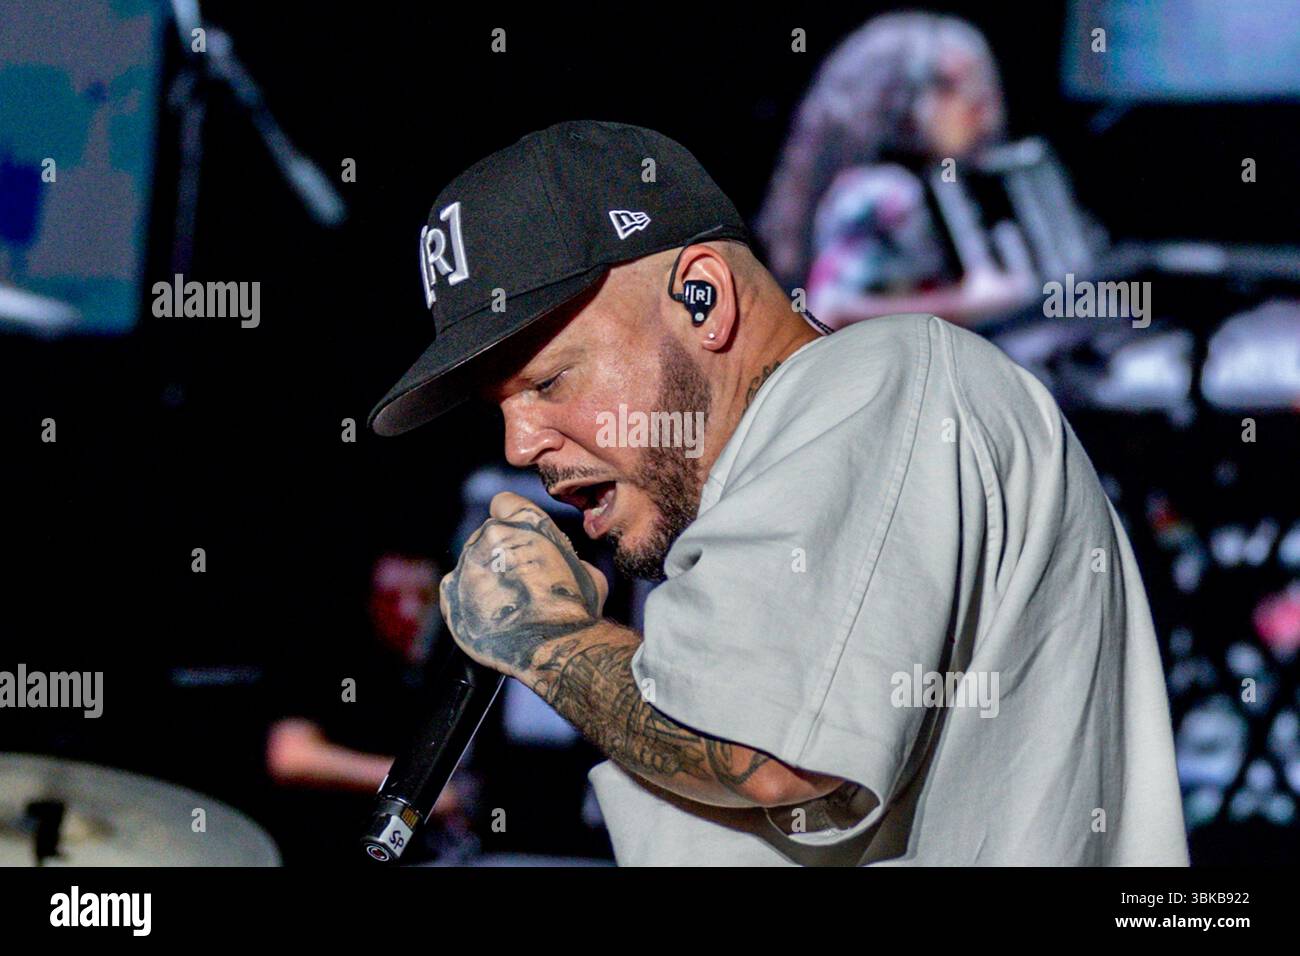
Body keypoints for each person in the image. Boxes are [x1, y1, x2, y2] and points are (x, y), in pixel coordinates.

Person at [367, 120, 1188, 865]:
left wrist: (543, 638)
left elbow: (765, 754)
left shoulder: (884, 381)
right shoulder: (747, 511)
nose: (520, 446)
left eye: (548, 380)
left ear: (703, 298)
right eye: (498, 410)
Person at [756, 12, 1034, 328]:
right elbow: (826, 313)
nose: (977, 102)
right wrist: (970, 305)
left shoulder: (933, 184)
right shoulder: (882, 191)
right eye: (948, 86)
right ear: (898, 97)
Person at [265, 550, 468, 863]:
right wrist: (417, 789)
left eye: (424, 598)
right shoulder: (323, 654)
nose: (409, 611)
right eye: (392, 597)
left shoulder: (435, 665)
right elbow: (291, 756)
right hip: (325, 846)